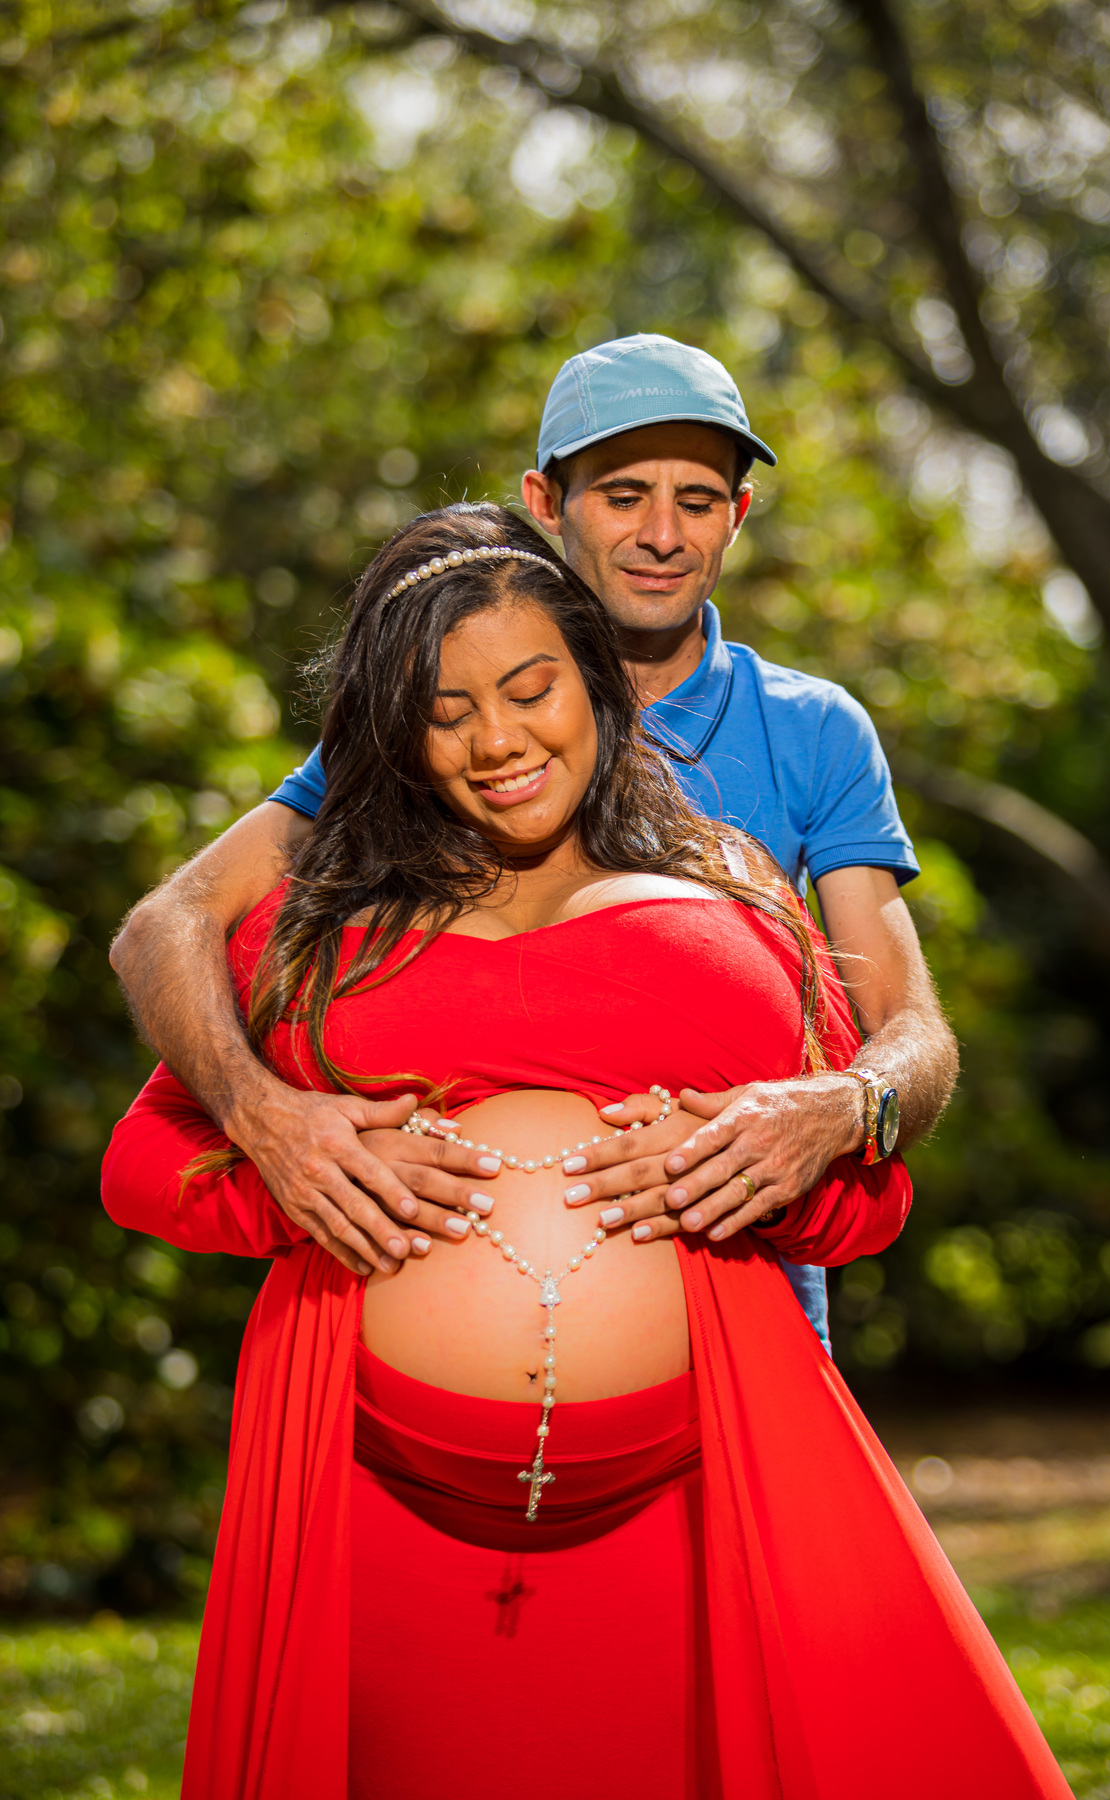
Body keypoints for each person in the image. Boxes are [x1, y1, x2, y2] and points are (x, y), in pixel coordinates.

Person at [101, 506, 1067, 1800]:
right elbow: (144, 1161)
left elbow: (865, 1200)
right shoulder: (318, 920)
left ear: (597, 683)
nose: (497, 739)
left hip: (694, 1483)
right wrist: (300, 1162)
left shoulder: (734, 890)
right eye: (446, 712)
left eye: (530, 689)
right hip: (374, 1489)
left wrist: (771, 1146)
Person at [109, 332, 958, 1348]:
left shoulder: (812, 729)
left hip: (750, 1324)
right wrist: (262, 1114)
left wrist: (836, 1107)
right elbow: (170, 922)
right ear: (546, 502)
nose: (662, 534)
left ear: (737, 516)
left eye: (697, 501)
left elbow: (910, 1029)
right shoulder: (437, 719)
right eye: (624, 495)